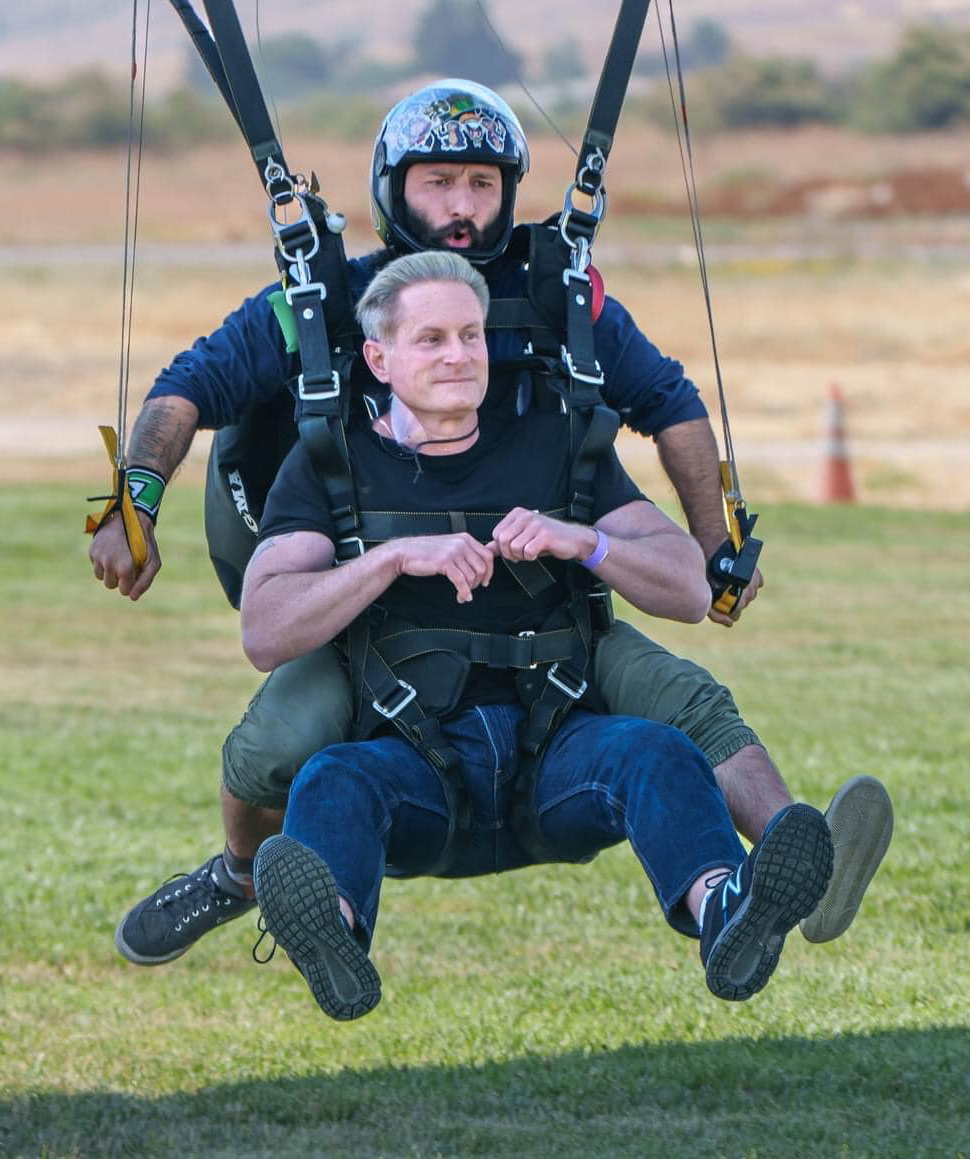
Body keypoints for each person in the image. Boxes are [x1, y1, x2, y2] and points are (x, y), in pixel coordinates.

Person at [95, 80, 890, 968]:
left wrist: (710, 542)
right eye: (439, 183)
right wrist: (134, 505)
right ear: (394, 190)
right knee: (277, 746)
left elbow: (668, 402)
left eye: (482, 184)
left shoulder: (562, 306)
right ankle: (243, 875)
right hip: (375, 617)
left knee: (688, 705)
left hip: (547, 605)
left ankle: (789, 871)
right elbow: (190, 387)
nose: (462, 207)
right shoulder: (335, 304)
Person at [241, 250, 835, 1018]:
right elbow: (264, 629)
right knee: (333, 779)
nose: (459, 354)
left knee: (657, 751)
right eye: (431, 340)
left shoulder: (555, 445)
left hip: (554, 750)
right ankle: (334, 933)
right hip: (416, 761)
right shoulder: (331, 463)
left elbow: (690, 587)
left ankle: (725, 913)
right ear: (379, 358)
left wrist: (582, 540)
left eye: (471, 335)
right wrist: (391, 557)